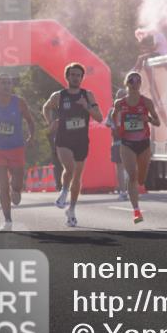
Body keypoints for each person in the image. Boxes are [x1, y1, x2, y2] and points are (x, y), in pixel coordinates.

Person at [43, 62, 104, 227]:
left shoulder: (88, 95)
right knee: (69, 168)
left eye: (78, 75)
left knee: (77, 177)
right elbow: (46, 107)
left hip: (81, 140)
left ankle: (71, 210)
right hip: (64, 138)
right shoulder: (59, 96)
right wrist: (50, 122)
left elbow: (99, 117)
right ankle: (63, 192)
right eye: (73, 75)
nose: (75, 78)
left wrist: (86, 107)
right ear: (67, 77)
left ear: (82, 78)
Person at [0, 74, 37, 231]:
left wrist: (31, 137)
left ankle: (16, 189)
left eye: (9, 83)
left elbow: (30, 121)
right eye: (3, 83)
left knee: (16, 185)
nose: (6, 86)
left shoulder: (19, 103)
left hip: (16, 147)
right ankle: (8, 220)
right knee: (2, 185)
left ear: (12, 85)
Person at [112, 71, 161, 224]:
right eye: (132, 80)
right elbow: (114, 117)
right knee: (132, 175)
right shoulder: (120, 103)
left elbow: (157, 122)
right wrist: (117, 128)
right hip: (127, 143)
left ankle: (138, 185)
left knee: (141, 179)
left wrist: (148, 119)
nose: (136, 83)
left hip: (143, 143)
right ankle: (136, 211)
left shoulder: (146, 102)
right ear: (127, 83)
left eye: (138, 80)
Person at [105, 88, 130, 201]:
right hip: (127, 142)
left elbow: (107, 124)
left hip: (119, 142)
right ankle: (125, 190)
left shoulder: (112, 111)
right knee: (126, 168)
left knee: (121, 168)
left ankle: (124, 191)